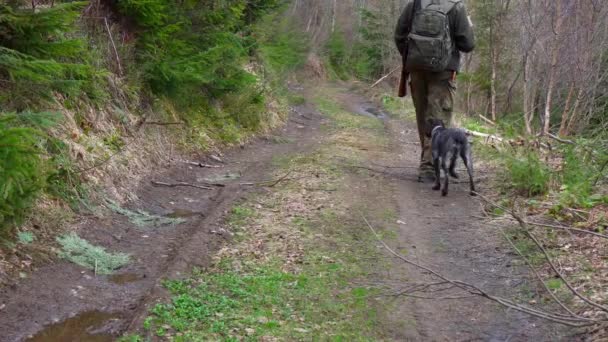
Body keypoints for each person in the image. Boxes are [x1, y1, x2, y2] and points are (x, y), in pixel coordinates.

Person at [394, 0, 475, 181]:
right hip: (444, 73)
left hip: (416, 70)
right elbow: (468, 44)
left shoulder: (415, 4)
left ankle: (427, 162)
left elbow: (399, 35)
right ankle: (429, 167)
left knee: (423, 117)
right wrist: (468, 26)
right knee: (437, 117)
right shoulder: (457, 6)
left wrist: (414, 56)